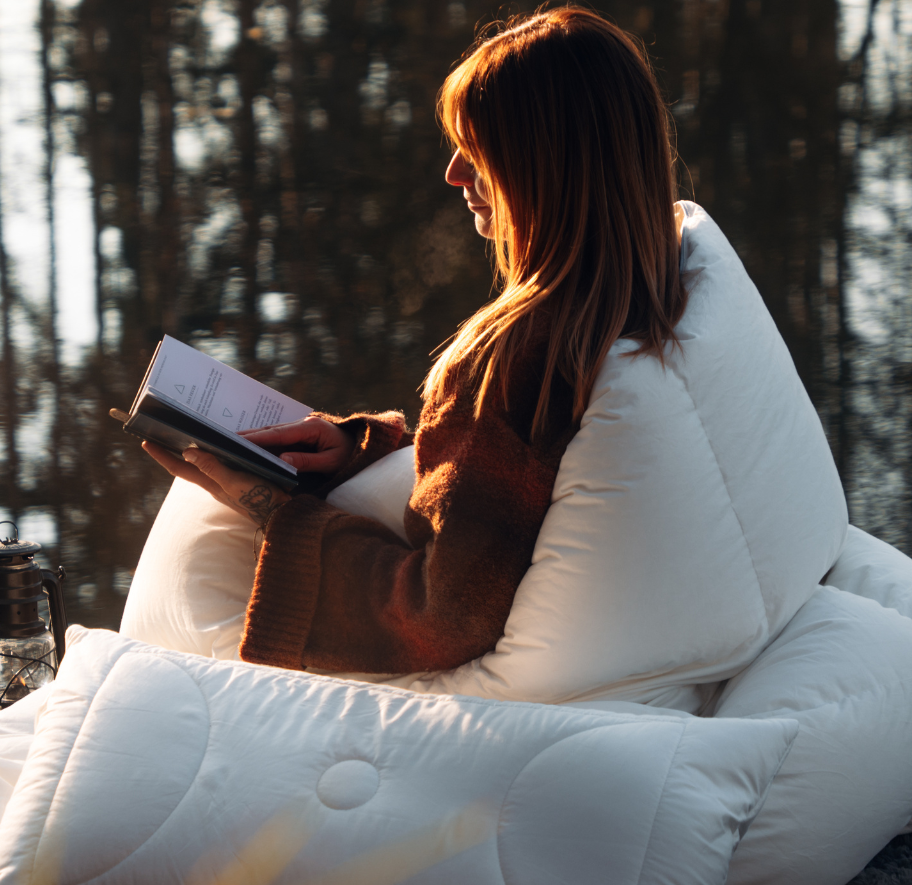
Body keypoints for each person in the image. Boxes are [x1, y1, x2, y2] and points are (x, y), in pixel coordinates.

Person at [144, 7, 687, 675]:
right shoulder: (657, 288)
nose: (455, 174)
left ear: (544, 165)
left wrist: (263, 505)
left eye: (479, 150)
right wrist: (358, 452)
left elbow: (442, 619)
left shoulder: (513, 360)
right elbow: (494, 496)